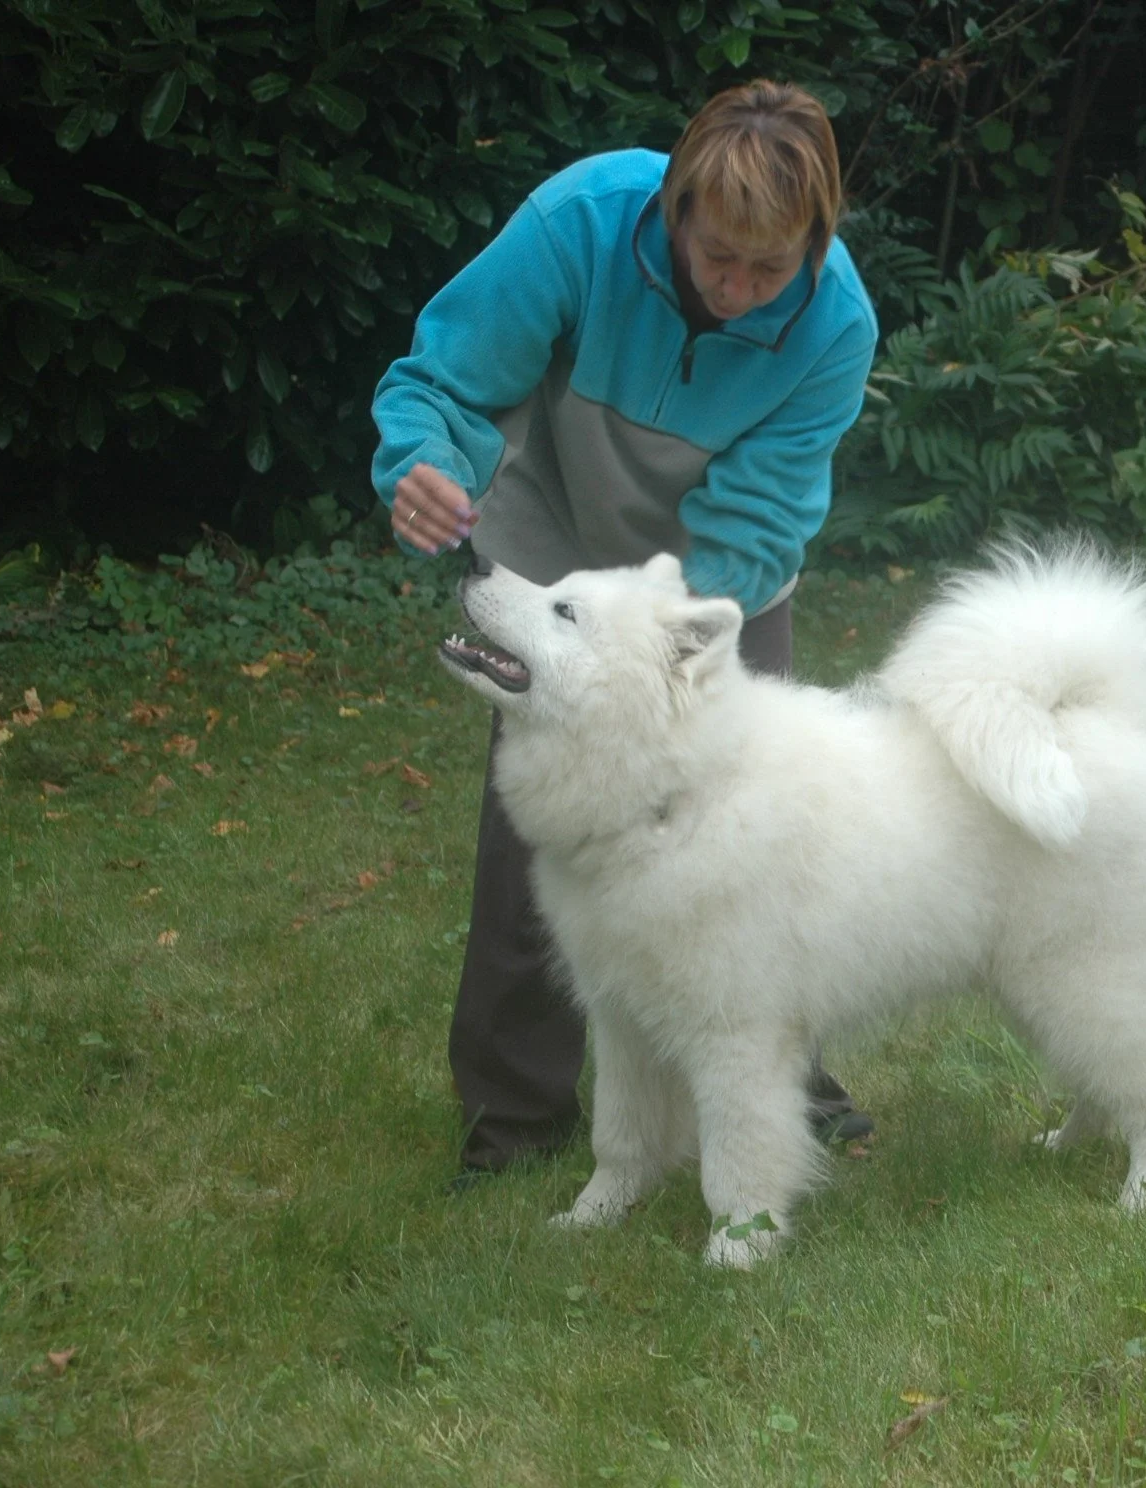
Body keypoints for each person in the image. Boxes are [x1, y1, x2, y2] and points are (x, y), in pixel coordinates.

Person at [369, 80, 879, 1180]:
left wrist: (661, 658)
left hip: (710, 585)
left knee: (758, 828)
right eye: (718, 261)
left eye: (770, 270)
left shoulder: (836, 326)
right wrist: (424, 466)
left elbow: (756, 516)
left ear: (815, 241)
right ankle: (512, 1121)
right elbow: (448, 381)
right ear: (674, 211)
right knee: (547, 832)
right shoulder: (581, 221)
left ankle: (784, 1081)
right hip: (557, 541)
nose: (741, 291)